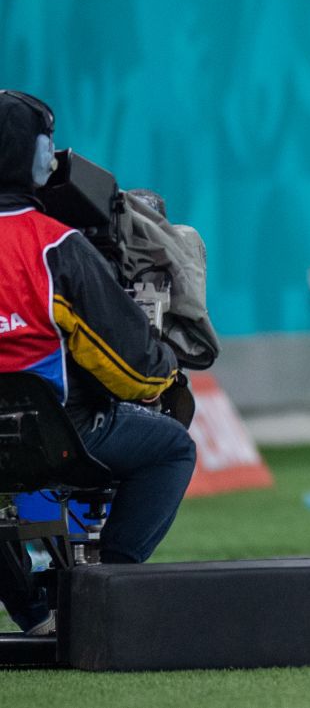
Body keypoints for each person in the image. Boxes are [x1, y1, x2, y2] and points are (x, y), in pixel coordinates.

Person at [0, 90, 196, 635]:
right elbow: (133, 370)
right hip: (59, 436)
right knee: (172, 449)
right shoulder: (54, 246)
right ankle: (105, 590)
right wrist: (167, 377)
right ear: (36, 155)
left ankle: (31, 614)